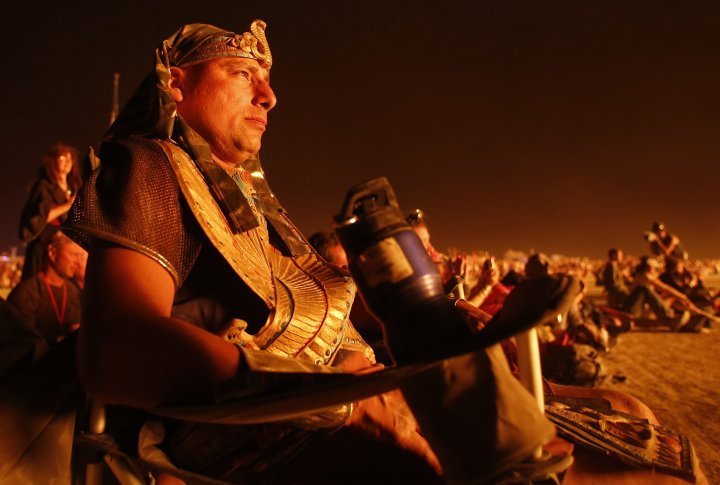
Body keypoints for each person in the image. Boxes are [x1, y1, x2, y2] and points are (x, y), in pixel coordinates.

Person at [61, 20, 559, 484]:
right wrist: (322, 395)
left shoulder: (240, 192)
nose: (269, 96)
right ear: (177, 85)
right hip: (258, 433)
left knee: (606, 415)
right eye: (242, 73)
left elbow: (295, 305)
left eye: (268, 79)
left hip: (328, 394)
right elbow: (116, 351)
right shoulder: (149, 165)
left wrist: (428, 321)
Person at [7, 231, 85, 346]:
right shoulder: (27, 294)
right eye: (74, 255)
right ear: (52, 253)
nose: (78, 262)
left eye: (80, 256)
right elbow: (19, 345)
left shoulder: (74, 293)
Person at [18, 143, 81, 281]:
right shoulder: (44, 186)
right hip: (45, 243)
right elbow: (42, 216)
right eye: (63, 158)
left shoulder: (72, 186)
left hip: (65, 242)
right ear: (53, 161)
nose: (68, 162)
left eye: (70, 159)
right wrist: (67, 205)